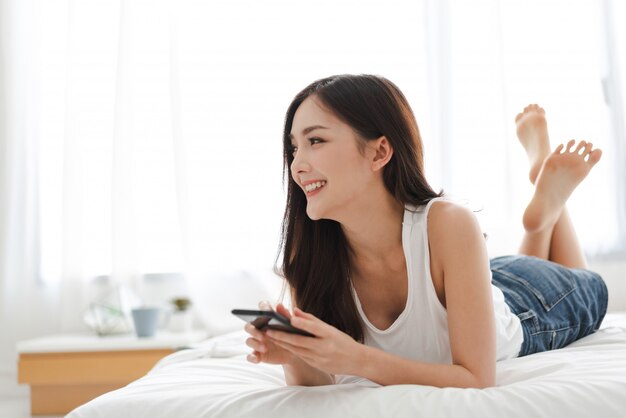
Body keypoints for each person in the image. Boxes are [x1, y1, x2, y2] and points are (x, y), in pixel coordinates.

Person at [243, 74, 608, 389]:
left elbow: (477, 378)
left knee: (590, 284)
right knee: (493, 284)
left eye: (315, 141)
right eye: (293, 148)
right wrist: (292, 355)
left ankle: (548, 208)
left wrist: (359, 359)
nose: (297, 165)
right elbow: (323, 379)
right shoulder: (308, 252)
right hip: (471, 283)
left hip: (526, 307)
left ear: (379, 152)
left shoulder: (449, 222)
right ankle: (545, 201)